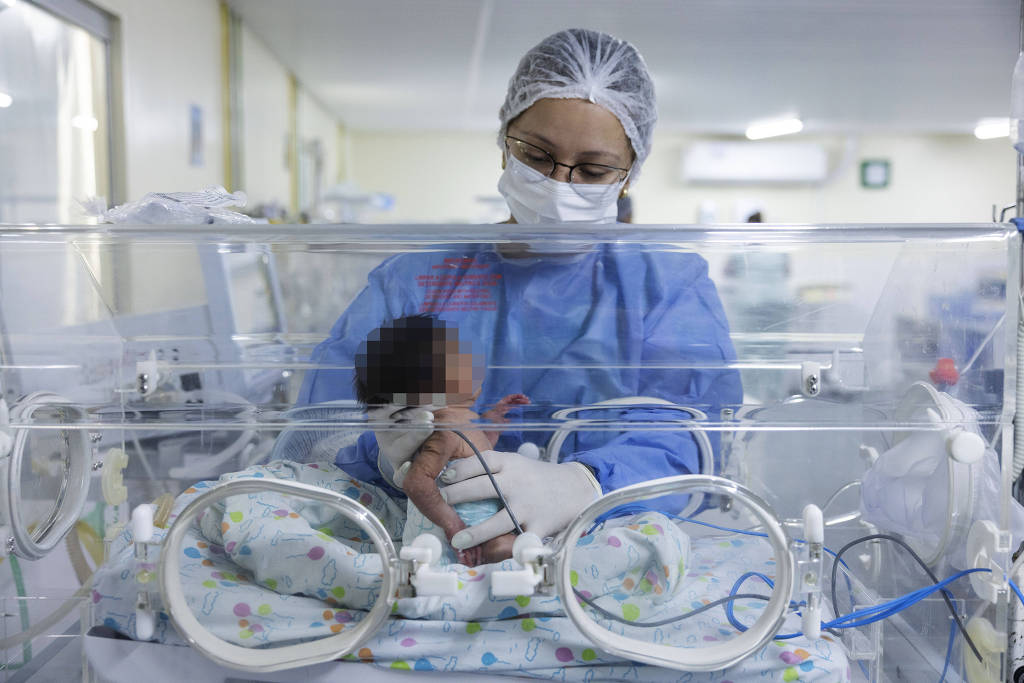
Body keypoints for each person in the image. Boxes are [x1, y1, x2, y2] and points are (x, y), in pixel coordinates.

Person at [298, 28, 742, 553]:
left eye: (593, 169)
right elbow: (318, 429)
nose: (559, 182)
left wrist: (587, 484)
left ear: (627, 177)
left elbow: (696, 436)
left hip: (602, 538)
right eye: (536, 155)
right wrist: (393, 451)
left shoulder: (665, 287)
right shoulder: (415, 280)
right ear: (504, 142)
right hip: (421, 539)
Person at [353, 314, 527, 566]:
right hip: (464, 532)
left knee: (520, 540)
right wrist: (452, 524)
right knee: (510, 548)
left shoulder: (462, 423)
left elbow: (479, 456)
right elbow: (417, 483)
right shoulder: (445, 430)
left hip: (489, 521)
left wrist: (494, 423)